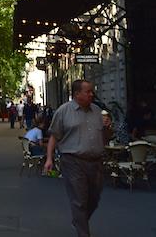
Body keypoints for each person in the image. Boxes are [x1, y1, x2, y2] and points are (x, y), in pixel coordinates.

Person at [44, 80, 104, 237]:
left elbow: (105, 136)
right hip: (73, 161)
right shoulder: (63, 111)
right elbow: (54, 136)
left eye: (92, 91)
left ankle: (78, 220)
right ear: (77, 94)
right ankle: (83, 233)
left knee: (94, 198)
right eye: (88, 91)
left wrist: (108, 127)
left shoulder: (97, 111)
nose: (92, 94)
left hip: (95, 162)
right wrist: (49, 158)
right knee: (79, 199)